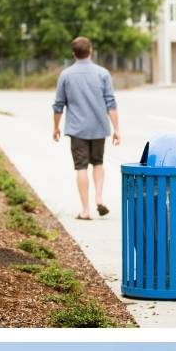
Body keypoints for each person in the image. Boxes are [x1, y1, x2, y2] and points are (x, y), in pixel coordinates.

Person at [51, 37, 121, 220]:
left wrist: (56, 127)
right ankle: (99, 197)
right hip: (99, 127)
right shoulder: (103, 73)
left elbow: (58, 105)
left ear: (74, 53)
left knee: (80, 166)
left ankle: (86, 210)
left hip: (77, 129)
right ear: (90, 50)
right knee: (98, 163)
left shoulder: (66, 75)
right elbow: (111, 103)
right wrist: (117, 129)